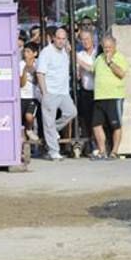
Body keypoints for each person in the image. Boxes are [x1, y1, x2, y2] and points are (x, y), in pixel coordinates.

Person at [36, 28, 77, 161]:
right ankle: (54, 152)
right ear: (53, 38)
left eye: (63, 39)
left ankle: (53, 132)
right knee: (48, 122)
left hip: (64, 92)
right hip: (50, 92)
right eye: (58, 38)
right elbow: (40, 73)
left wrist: (69, 50)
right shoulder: (46, 52)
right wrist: (45, 93)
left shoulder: (65, 51)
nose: (60, 41)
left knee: (71, 112)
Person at [91, 35, 129, 160]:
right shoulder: (99, 58)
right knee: (96, 124)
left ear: (114, 46)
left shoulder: (120, 57)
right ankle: (102, 151)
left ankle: (114, 152)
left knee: (116, 125)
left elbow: (121, 73)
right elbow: (93, 71)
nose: (107, 49)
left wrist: (110, 62)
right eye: (105, 47)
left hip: (114, 96)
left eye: (110, 47)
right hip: (99, 96)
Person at [76, 30, 98, 151]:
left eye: (87, 39)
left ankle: (97, 143)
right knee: (85, 119)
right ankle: (87, 145)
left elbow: (93, 69)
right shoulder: (80, 54)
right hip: (85, 90)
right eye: (83, 39)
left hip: (98, 91)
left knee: (97, 119)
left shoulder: (98, 54)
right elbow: (78, 74)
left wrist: (79, 62)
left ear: (92, 39)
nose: (85, 42)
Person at [19, 42, 41, 142]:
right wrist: (25, 70)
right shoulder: (20, 64)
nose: (25, 54)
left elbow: (38, 81)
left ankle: (29, 129)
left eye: (28, 52)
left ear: (35, 53)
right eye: (24, 52)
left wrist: (33, 70)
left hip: (34, 96)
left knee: (29, 116)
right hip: (22, 96)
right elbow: (21, 84)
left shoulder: (39, 63)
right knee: (21, 121)